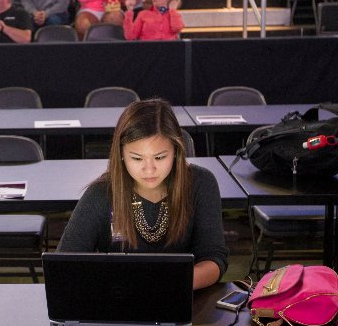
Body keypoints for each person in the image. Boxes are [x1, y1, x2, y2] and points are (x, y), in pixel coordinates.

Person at [57, 98, 228, 290]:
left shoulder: (200, 183)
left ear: (177, 151)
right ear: (121, 154)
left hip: (185, 301)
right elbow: (64, 264)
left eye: (160, 157)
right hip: (118, 303)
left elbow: (214, 258)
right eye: (137, 158)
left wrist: (169, 284)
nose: (149, 169)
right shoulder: (101, 193)